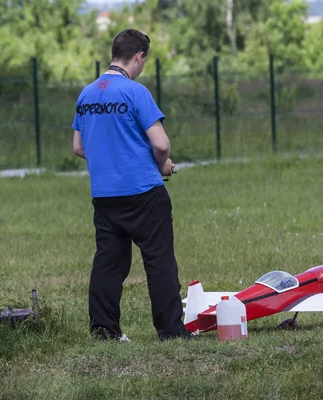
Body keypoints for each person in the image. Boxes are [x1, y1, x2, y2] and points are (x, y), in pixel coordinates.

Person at [72, 28, 190, 341]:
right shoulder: (135, 92)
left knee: (108, 265)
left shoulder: (87, 93)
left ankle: (104, 330)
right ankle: (171, 331)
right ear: (138, 56)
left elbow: (79, 148)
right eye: (143, 61)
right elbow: (161, 144)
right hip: (143, 193)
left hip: (105, 196)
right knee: (159, 261)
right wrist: (162, 164)